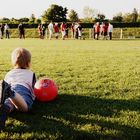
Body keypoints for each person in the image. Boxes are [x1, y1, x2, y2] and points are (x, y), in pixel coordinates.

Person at [0, 48, 36, 129]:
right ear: (29, 63)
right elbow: (35, 89)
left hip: (11, 86)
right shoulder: (31, 74)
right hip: (23, 89)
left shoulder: (9, 73)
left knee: (8, 103)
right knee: (25, 108)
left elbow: (5, 84)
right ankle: (11, 93)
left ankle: (5, 109)